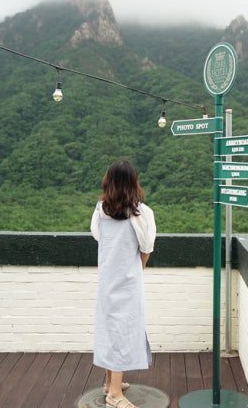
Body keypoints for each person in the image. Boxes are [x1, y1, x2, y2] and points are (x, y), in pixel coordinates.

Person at [90, 159, 156, 408]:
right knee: (124, 333)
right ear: (133, 183)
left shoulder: (100, 209)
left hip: (107, 281)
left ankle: (109, 382)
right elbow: (146, 248)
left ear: (108, 181)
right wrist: (137, 271)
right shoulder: (142, 213)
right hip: (129, 283)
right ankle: (114, 395)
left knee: (110, 329)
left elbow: (98, 237)